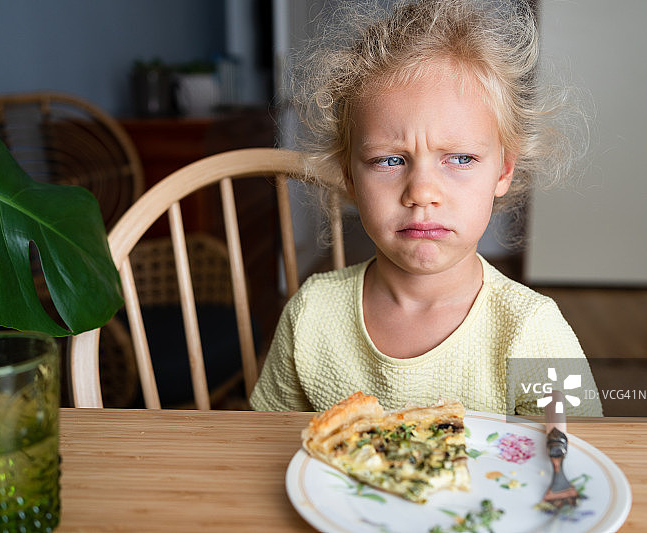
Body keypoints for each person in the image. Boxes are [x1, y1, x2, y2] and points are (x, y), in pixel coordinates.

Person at [250, 0, 602, 416]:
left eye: (460, 159)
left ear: (503, 170)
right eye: (390, 160)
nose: (421, 192)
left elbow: (573, 458)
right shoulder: (311, 316)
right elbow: (267, 443)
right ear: (348, 176)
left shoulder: (530, 329)